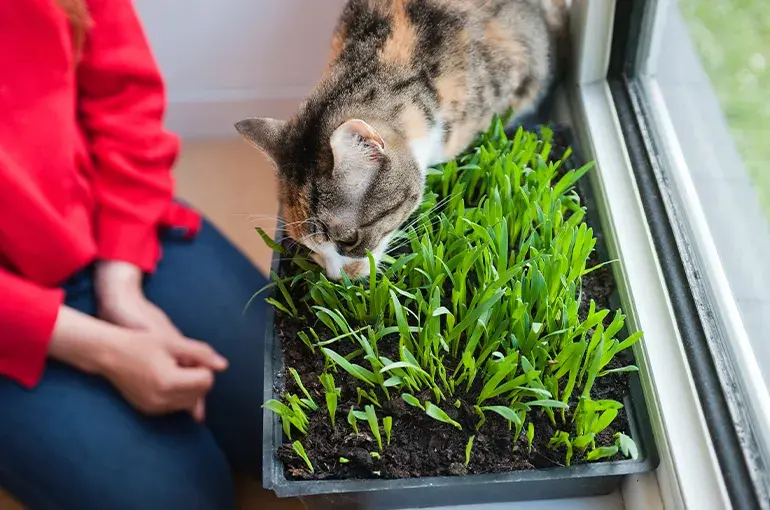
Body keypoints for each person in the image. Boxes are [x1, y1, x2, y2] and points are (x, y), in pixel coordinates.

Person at [0, 1, 268, 508]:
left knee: (308, 415)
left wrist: (120, 284)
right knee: (180, 498)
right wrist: (102, 349)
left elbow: (124, 98)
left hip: (103, 224)